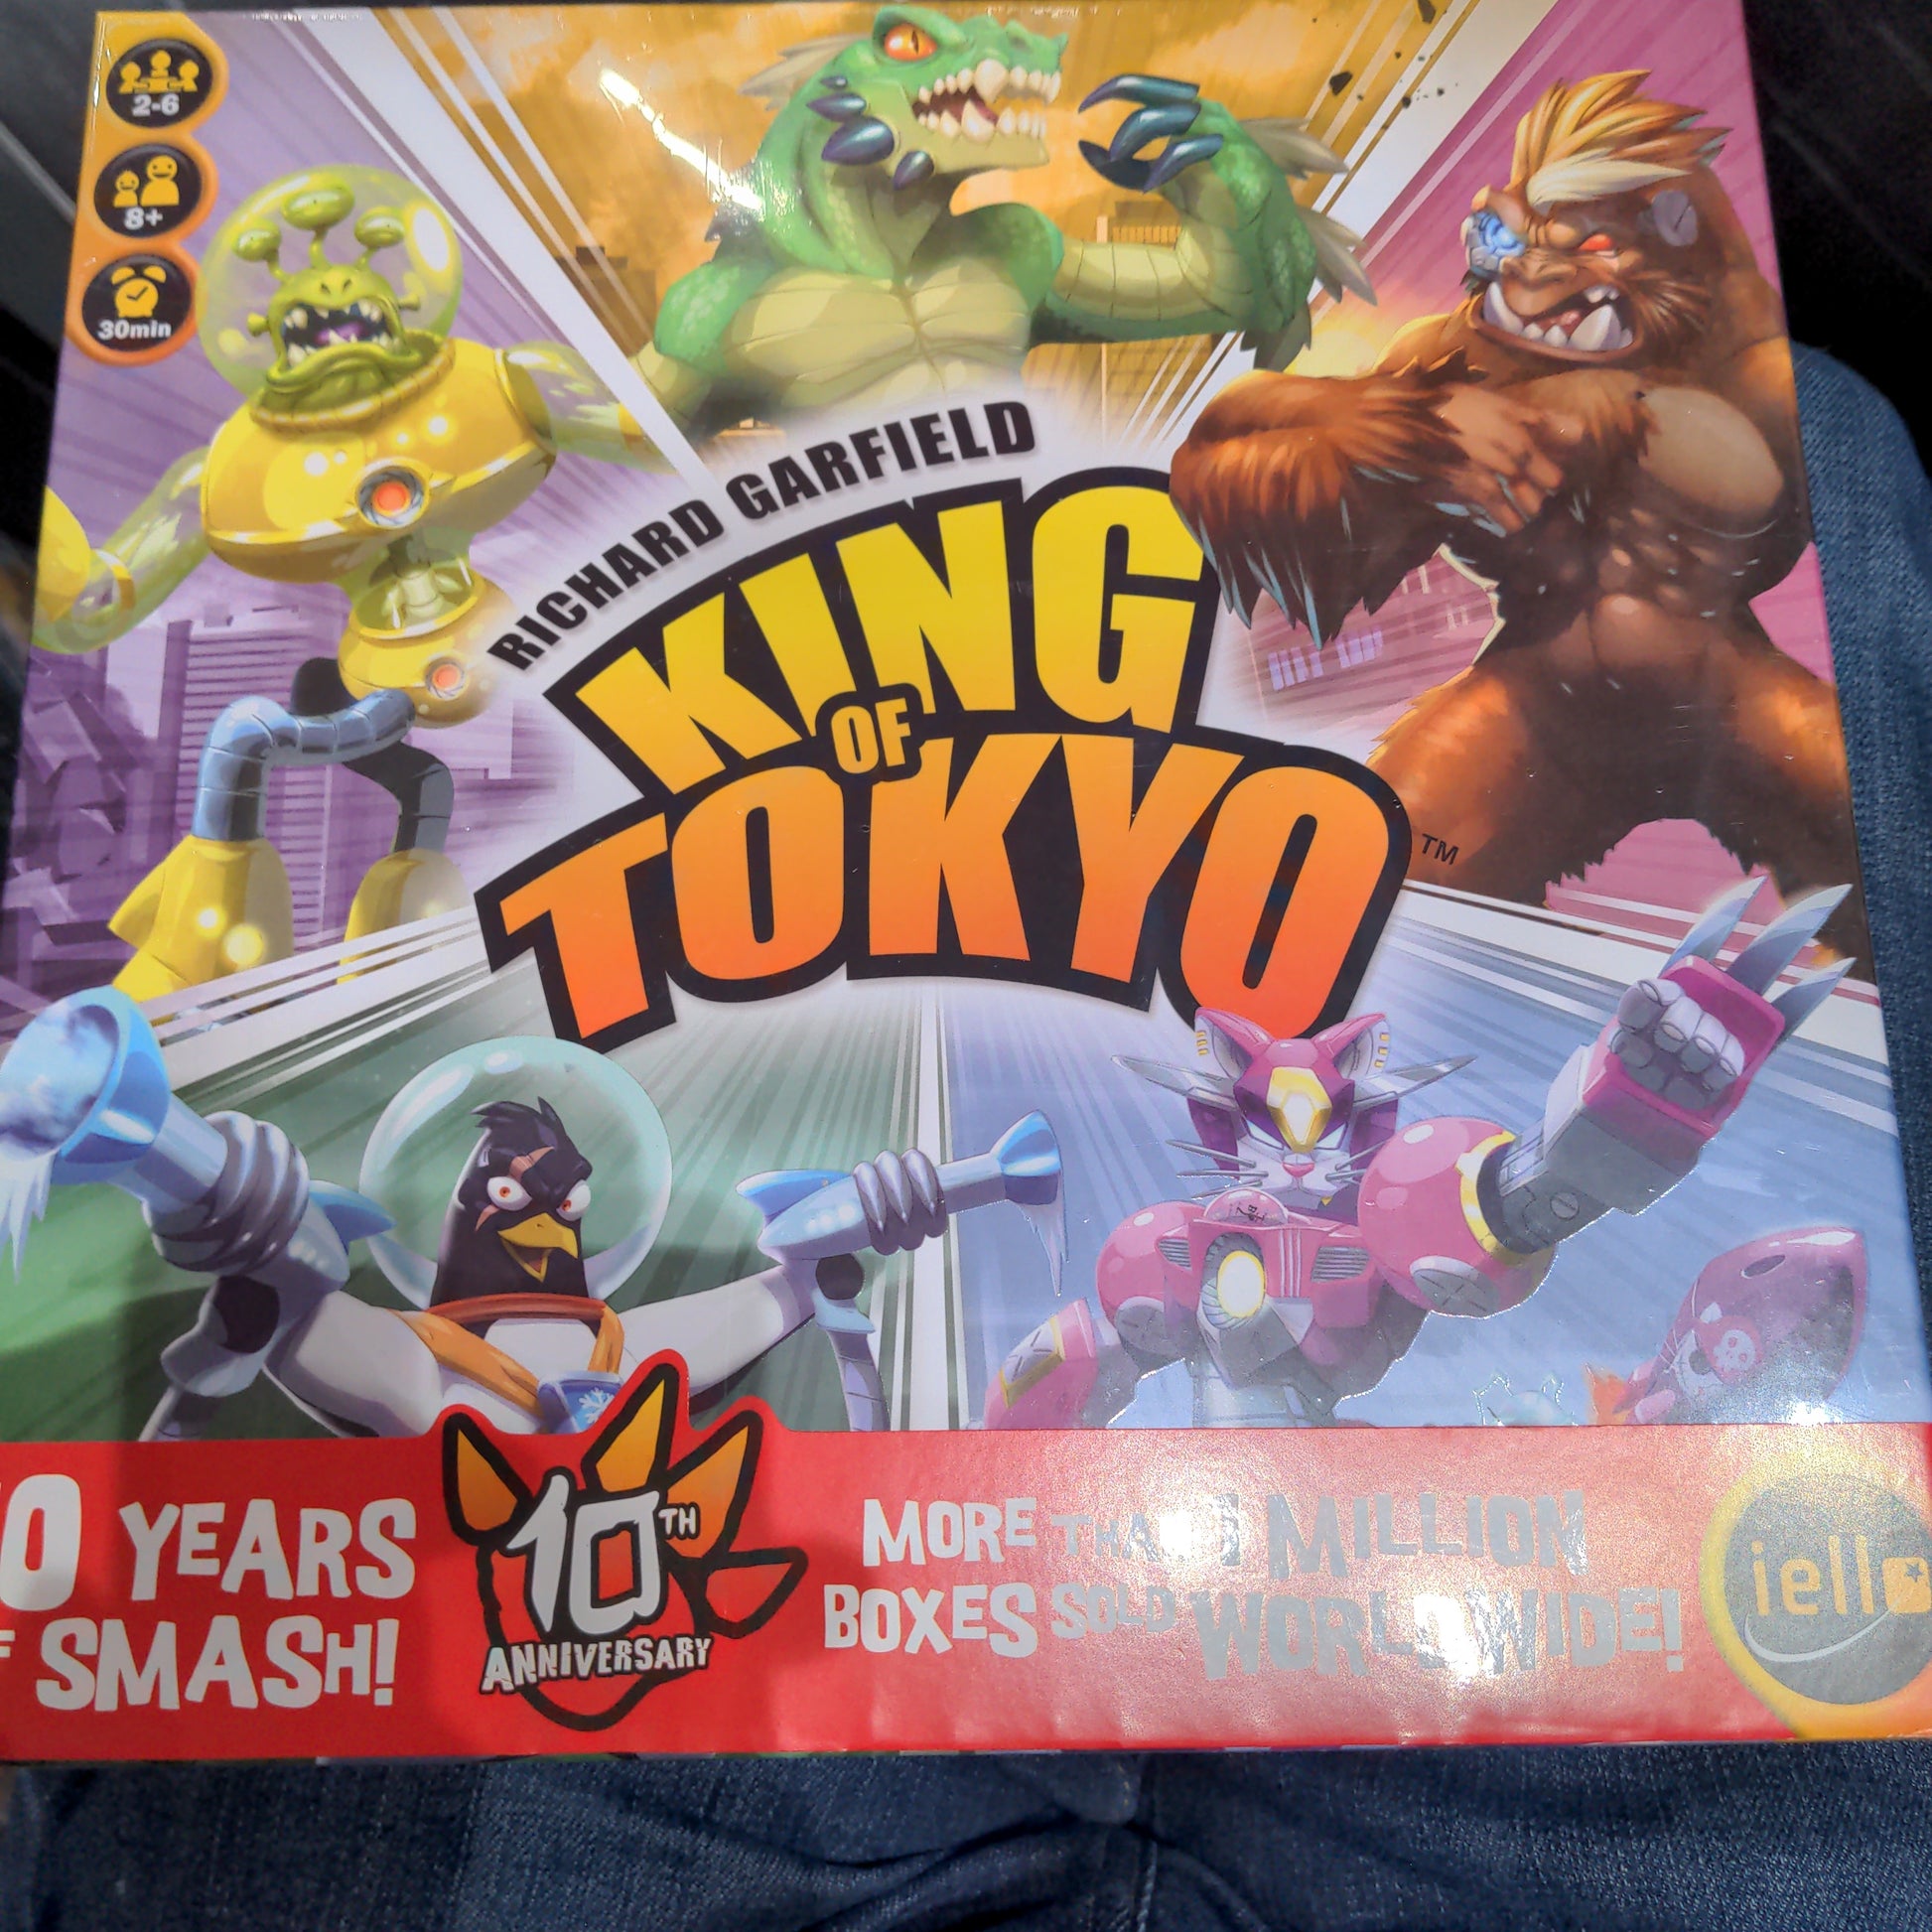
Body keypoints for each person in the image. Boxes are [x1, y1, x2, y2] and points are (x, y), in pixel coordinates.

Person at [1, 345, 1930, 1932]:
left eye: (540, 1180)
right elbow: (1395, 1242)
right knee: (1823, 431)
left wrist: (1615, 1117)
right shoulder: (1150, 1257)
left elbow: (1485, 1212)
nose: (530, 1193)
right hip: (997, 1588)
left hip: (1278, 1578)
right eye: (522, 1186)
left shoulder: (1317, 1207)